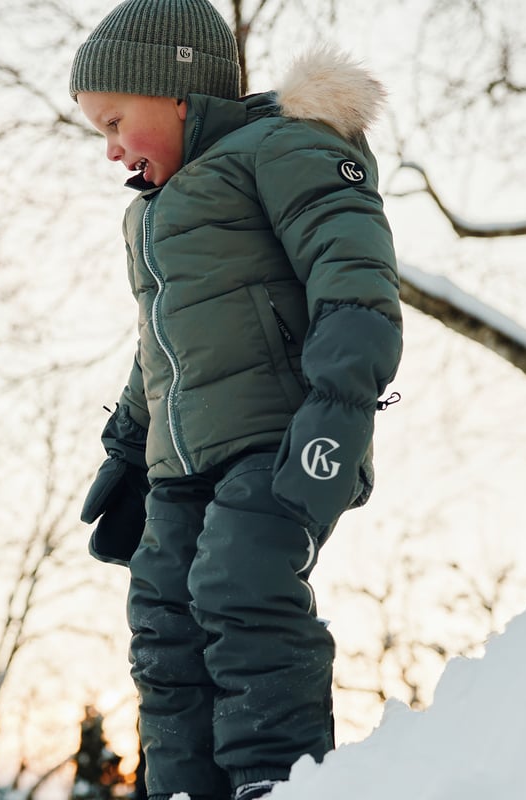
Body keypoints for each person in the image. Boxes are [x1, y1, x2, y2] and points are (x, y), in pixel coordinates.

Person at [71, 1, 403, 798]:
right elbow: (165, 346)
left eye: (115, 121)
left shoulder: (283, 147)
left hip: (279, 443)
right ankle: (185, 788)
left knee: (240, 586)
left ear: (177, 92)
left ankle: (275, 782)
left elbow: (356, 286)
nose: (111, 149)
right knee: (163, 626)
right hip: (179, 466)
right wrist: (125, 449)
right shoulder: (153, 214)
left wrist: (336, 409)